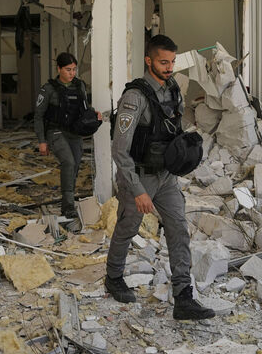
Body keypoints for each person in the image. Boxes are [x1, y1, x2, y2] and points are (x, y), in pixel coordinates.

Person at [105, 34, 215, 321]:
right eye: (163, 62)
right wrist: (138, 190)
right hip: (138, 177)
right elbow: (119, 149)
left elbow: (172, 128)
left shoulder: (173, 88)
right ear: (149, 60)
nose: (169, 67)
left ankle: (183, 297)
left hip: (166, 177)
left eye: (172, 62)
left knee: (178, 227)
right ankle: (113, 276)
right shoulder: (134, 97)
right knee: (128, 228)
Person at [34, 53, 101, 218]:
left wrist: (94, 115)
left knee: (75, 165)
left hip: (74, 132)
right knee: (68, 162)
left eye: (74, 69)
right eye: (68, 69)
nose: (72, 73)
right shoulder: (48, 89)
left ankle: (67, 202)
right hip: (55, 132)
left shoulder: (80, 86)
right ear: (59, 69)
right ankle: (69, 205)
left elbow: (85, 109)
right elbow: (38, 116)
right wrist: (42, 141)